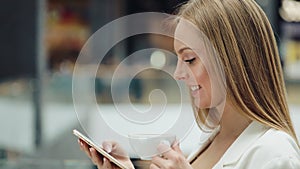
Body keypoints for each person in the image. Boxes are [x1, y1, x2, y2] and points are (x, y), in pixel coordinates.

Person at [78, 0, 300, 168]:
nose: (178, 74)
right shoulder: (211, 140)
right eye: (178, 59)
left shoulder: (275, 154)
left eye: (190, 59)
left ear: (232, 60)